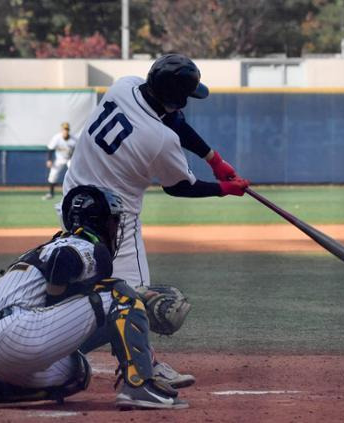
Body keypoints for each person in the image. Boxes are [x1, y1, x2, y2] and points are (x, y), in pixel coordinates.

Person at [62, 53, 250, 387]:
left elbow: (171, 119)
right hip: (115, 218)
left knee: (96, 283)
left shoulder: (125, 86)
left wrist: (212, 158)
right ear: (175, 98)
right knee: (134, 296)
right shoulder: (157, 140)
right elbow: (179, 188)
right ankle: (126, 365)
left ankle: (82, 344)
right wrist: (225, 189)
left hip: (75, 198)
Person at [0, 185, 187, 410]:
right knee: (119, 293)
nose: (116, 227)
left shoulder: (48, 246)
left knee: (77, 372)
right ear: (100, 221)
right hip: (20, 334)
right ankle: (140, 386)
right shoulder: (83, 243)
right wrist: (134, 299)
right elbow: (63, 261)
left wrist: (137, 300)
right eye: (113, 221)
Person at [42, 122, 77, 200]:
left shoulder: (74, 139)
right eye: (64, 129)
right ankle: (51, 193)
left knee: (74, 175)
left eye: (67, 129)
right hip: (59, 159)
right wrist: (49, 160)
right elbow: (50, 149)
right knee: (53, 175)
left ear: (69, 130)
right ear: (61, 130)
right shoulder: (57, 138)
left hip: (70, 159)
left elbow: (78, 150)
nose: (65, 131)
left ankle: (75, 193)